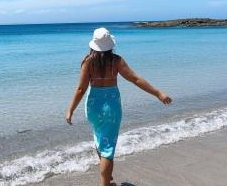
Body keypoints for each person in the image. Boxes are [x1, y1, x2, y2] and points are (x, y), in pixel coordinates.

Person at [65, 28, 172, 186]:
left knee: (100, 139)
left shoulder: (87, 61)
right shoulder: (116, 61)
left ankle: (107, 176)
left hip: (93, 107)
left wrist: (70, 110)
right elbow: (135, 79)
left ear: (93, 45)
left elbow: (81, 89)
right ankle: (105, 183)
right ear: (110, 45)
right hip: (111, 109)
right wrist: (158, 93)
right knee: (108, 148)